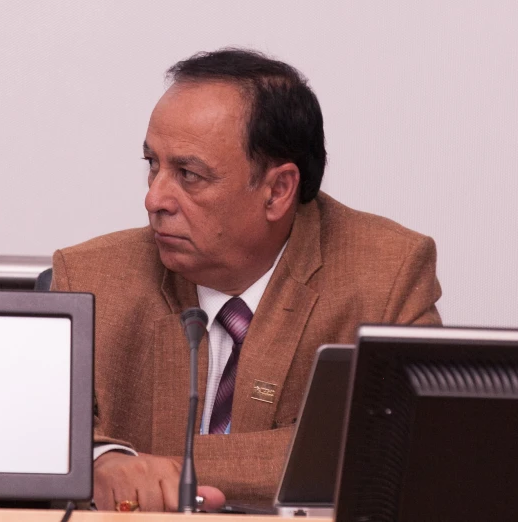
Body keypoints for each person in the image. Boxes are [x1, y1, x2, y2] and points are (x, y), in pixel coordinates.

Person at [50, 48, 442, 512]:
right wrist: (102, 460)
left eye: (189, 175)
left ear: (278, 190)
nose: (153, 198)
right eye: (153, 164)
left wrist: (152, 465)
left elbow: (401, 448)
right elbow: (38, 432)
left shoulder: (386, 273)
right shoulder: (94, 276)